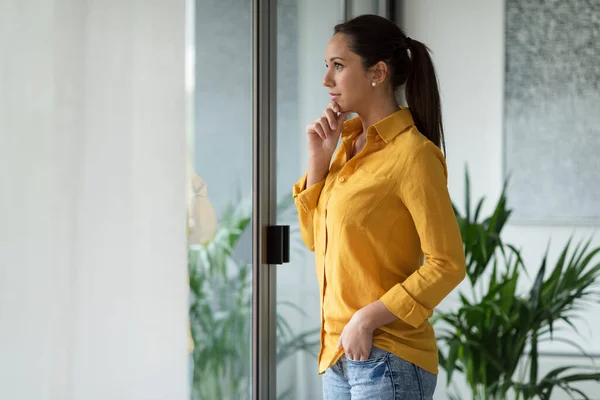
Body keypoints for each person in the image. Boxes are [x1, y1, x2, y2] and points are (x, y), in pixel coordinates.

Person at [292, 14, 466, 400]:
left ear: (378, 72)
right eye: (327, 67)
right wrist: (317, 164)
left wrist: (366, 319)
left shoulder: (413, 155)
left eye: (338, 66)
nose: (327, 80)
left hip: (388, 358)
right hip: (337, 355)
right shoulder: (344, 147)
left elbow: (448, 263)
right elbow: (313, 241)